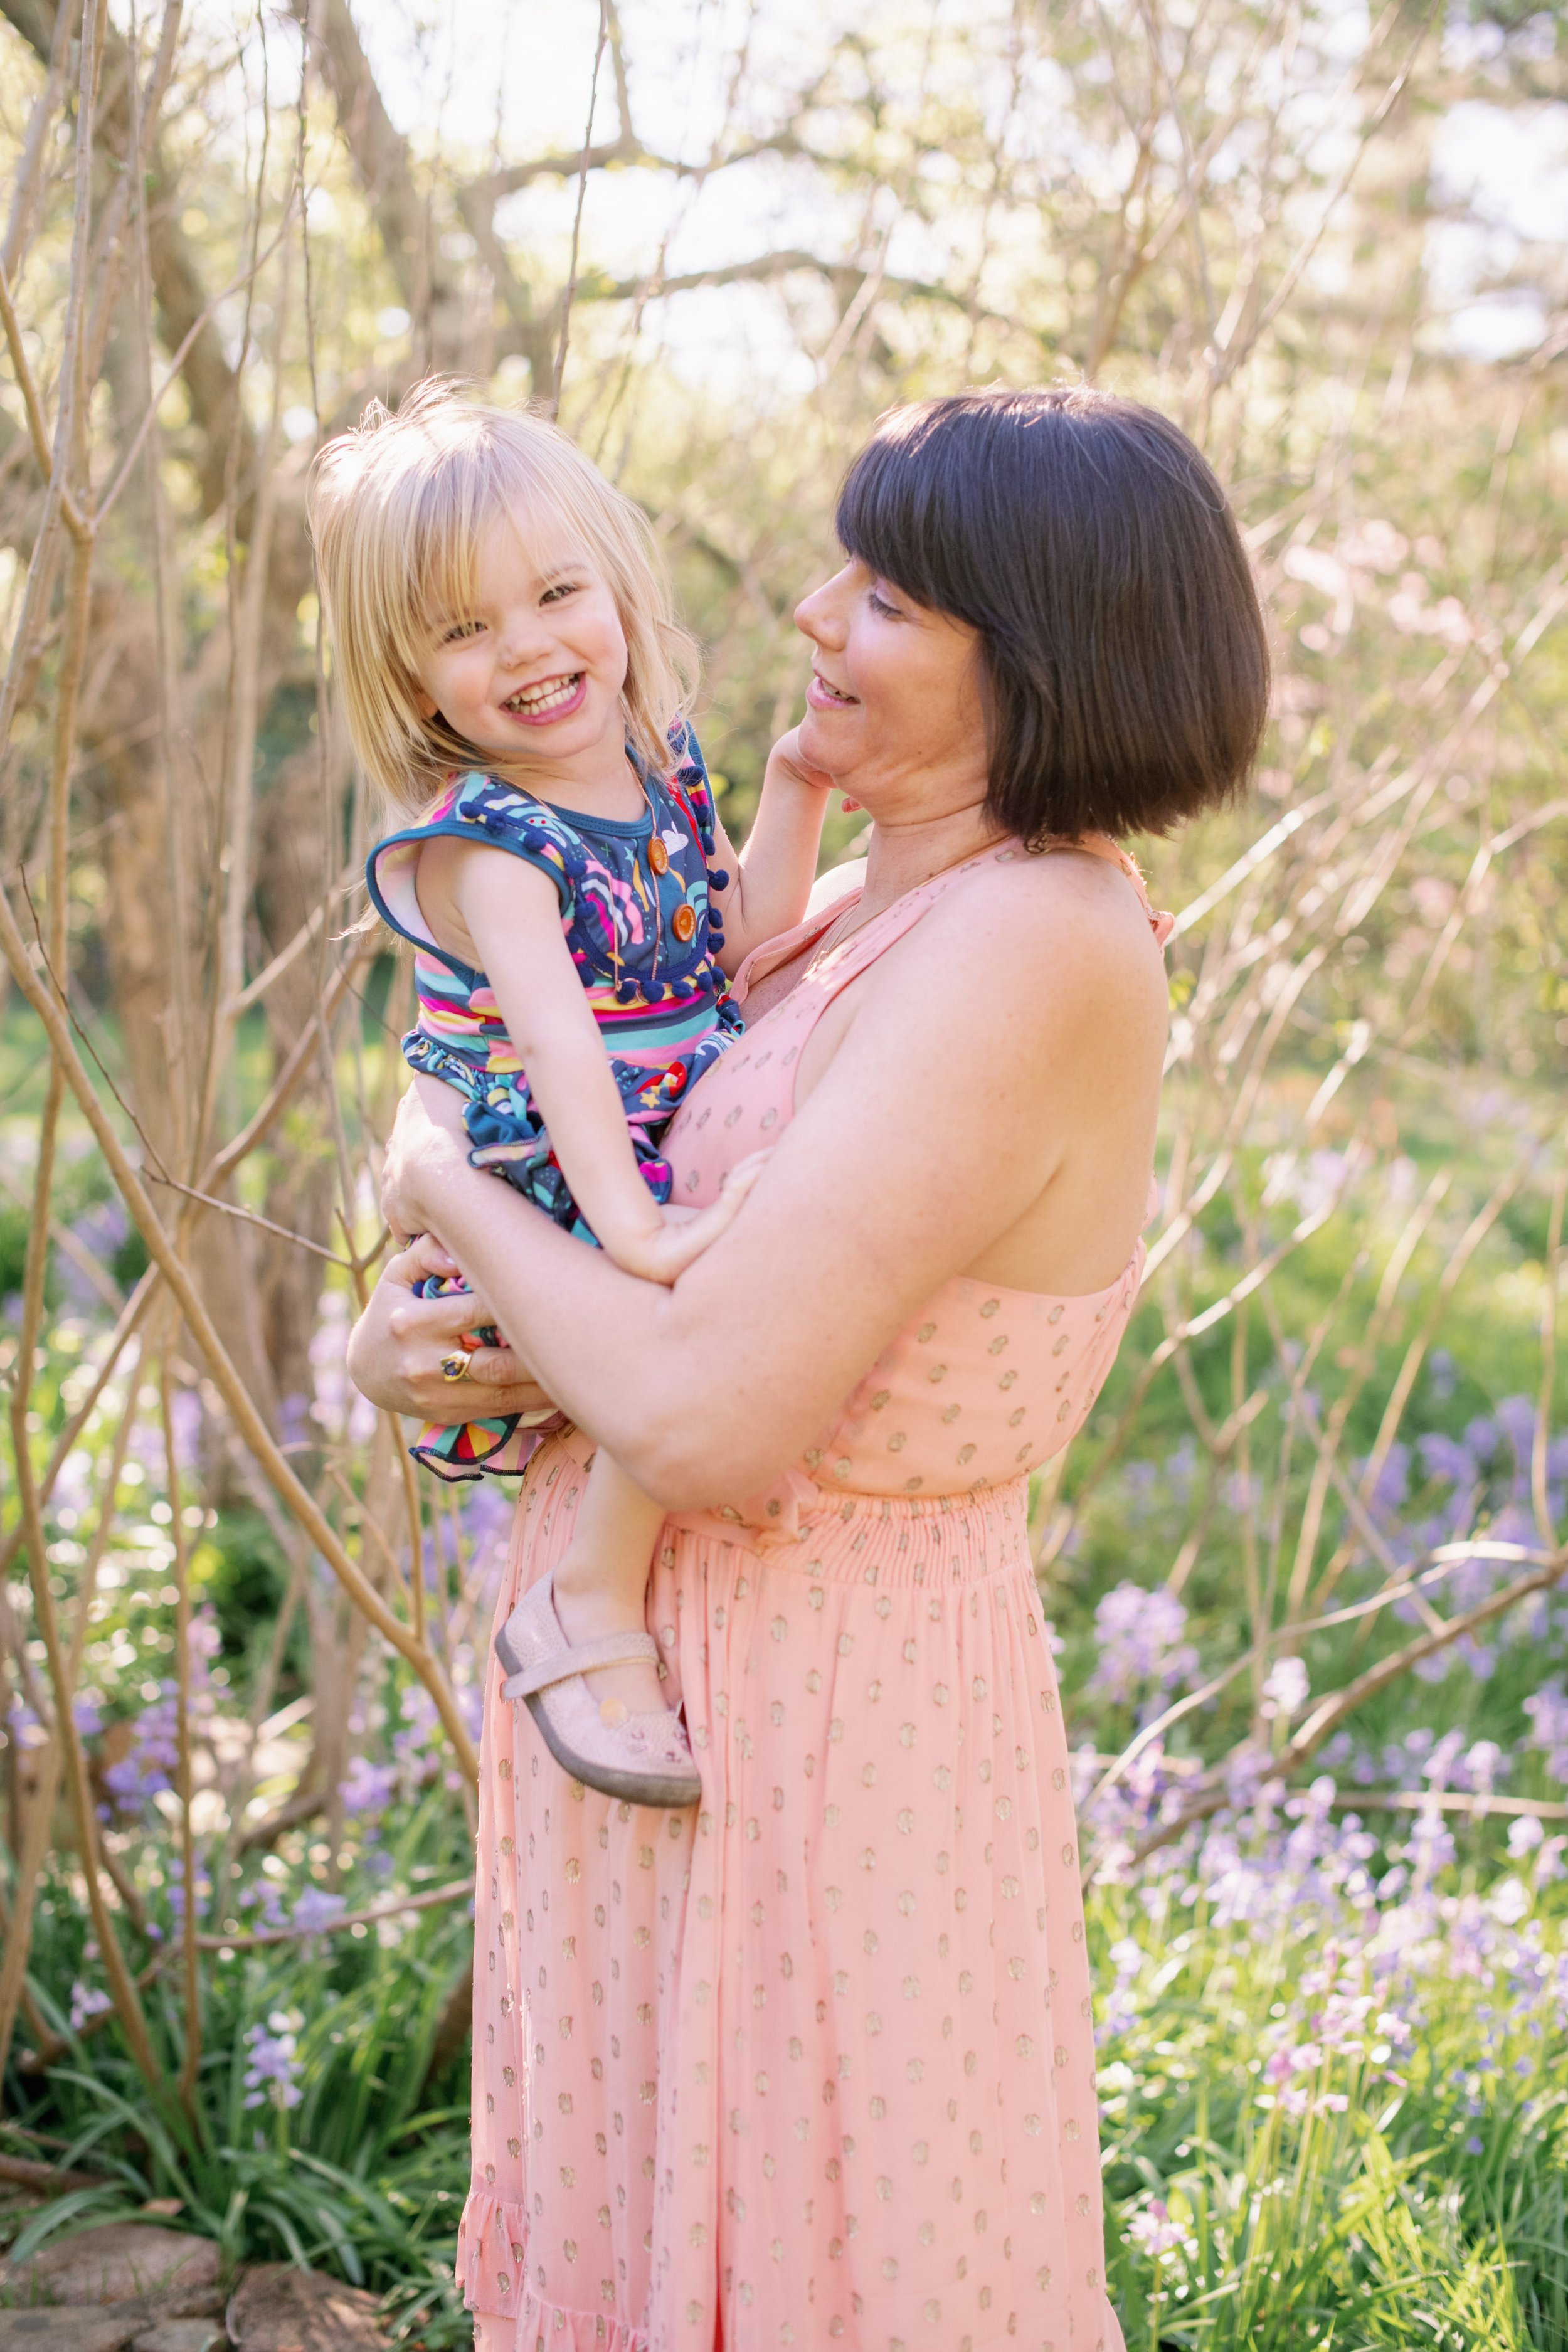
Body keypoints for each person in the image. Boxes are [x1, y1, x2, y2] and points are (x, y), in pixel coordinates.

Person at [348, 386, 1269, 2351]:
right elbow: (636, 1211)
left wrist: (435, 1174)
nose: (810, 617)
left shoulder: (1032, 940)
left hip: (819, 1732)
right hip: (660, 1707)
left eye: (883, 596)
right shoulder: (869, 895)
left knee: (826, 2265)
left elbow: (699, 1410)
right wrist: (404, 1334)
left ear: (1040, 653)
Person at [311, 383, 830, 1809]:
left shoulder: (660, 769)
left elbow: (730, 944)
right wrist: (638, 1231)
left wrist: (794, 785)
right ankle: (583, 1597)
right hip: (558, 1159)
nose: (527, 648)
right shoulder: (491, 846)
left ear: (616, 585)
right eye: (464, 630)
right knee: (702, 1306)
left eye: (553, 594)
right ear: (413, 679)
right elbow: (557, 1051)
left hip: (643, 1128)